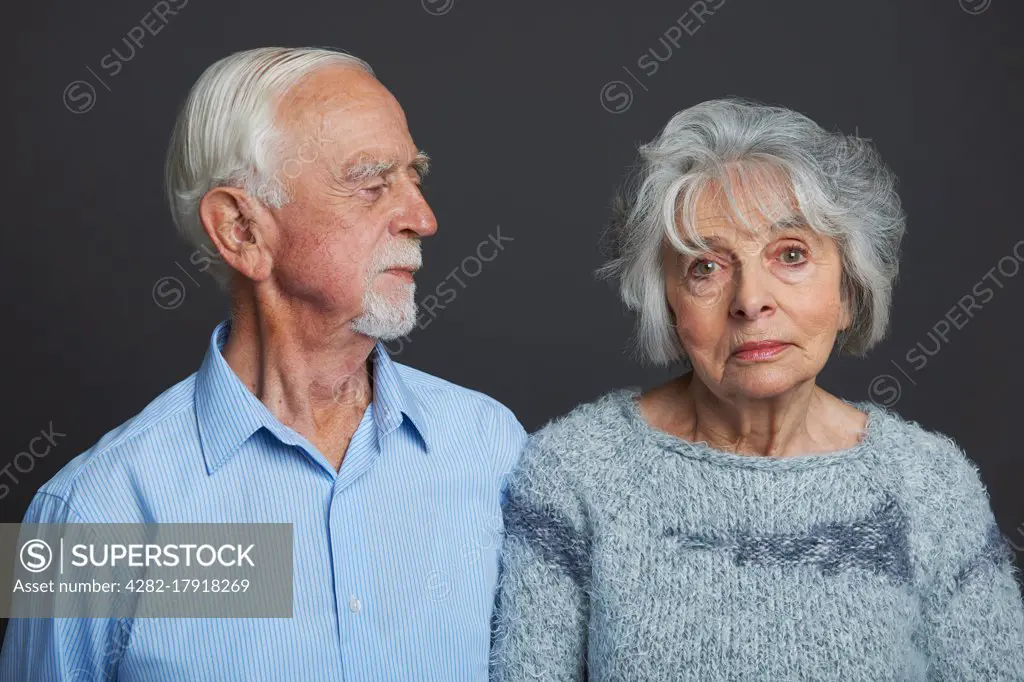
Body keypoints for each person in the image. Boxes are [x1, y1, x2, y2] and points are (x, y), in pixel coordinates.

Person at [0, 46, 526, 681]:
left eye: (416, 178)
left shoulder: (494, 449)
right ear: (240, 230)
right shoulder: (83, 515)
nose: (423, 218)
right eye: (370, 182)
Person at [489, 97, 1024, 681]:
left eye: (790, 255)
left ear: (849, 290)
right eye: (705, 267)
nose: (750, 299)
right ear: (667, 307)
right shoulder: (574, 473)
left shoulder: (929, 484)